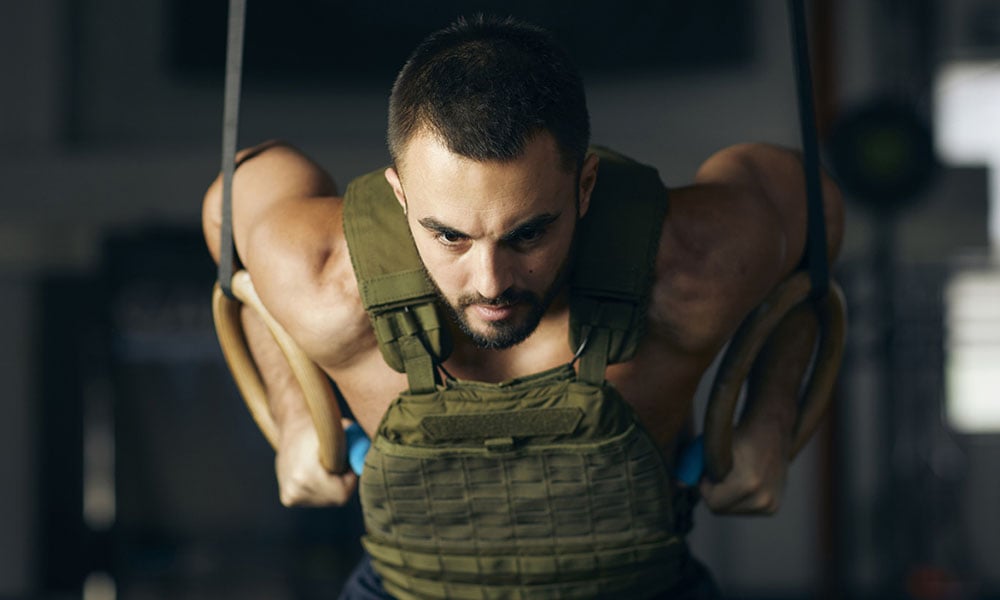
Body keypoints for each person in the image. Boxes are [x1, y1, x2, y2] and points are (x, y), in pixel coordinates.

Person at [202, 15, 843, 600]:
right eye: (450, 235)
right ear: (399, 195)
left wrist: (770, 416)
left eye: (528, 233)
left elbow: (814, 203)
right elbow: (229, 205)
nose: (491, 282)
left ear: (585, 186)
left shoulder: (691, 266)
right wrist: (293, 418)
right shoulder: (324, 277)